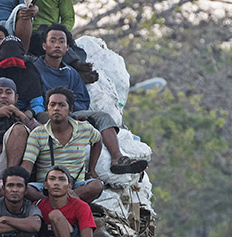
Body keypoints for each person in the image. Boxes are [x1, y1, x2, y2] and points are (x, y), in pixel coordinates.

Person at [35, 27, 149, 174]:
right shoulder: (35, 69)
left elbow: (82, 100)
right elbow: (34, 98)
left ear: (67, 47)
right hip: (47, 113)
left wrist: (73, 113)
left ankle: (118, 158)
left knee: (103, 117)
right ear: (44, 45)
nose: (57, 45)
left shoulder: (71, 73)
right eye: (52, 41)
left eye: (61, 42)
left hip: (71, 113)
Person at [21, 88, 104, 205]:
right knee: (26, 189)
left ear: (70, 110)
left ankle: (58, 203)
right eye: (52, 105)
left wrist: (92, 169)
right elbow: (27, 163)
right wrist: (18, 180)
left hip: (75, 186)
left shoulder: (85, 129)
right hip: (47, 187)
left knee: (96, 186)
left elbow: (98, 141)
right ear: (47, 109)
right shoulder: (38, 133)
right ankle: (73, 203)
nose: (56, 108)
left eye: (61, 105)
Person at [0, 36, 46, 119]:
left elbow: (38, 104)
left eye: (15, 63)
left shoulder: (31, 73)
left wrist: (30, 112)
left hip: (24, 114)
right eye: (7, 63)